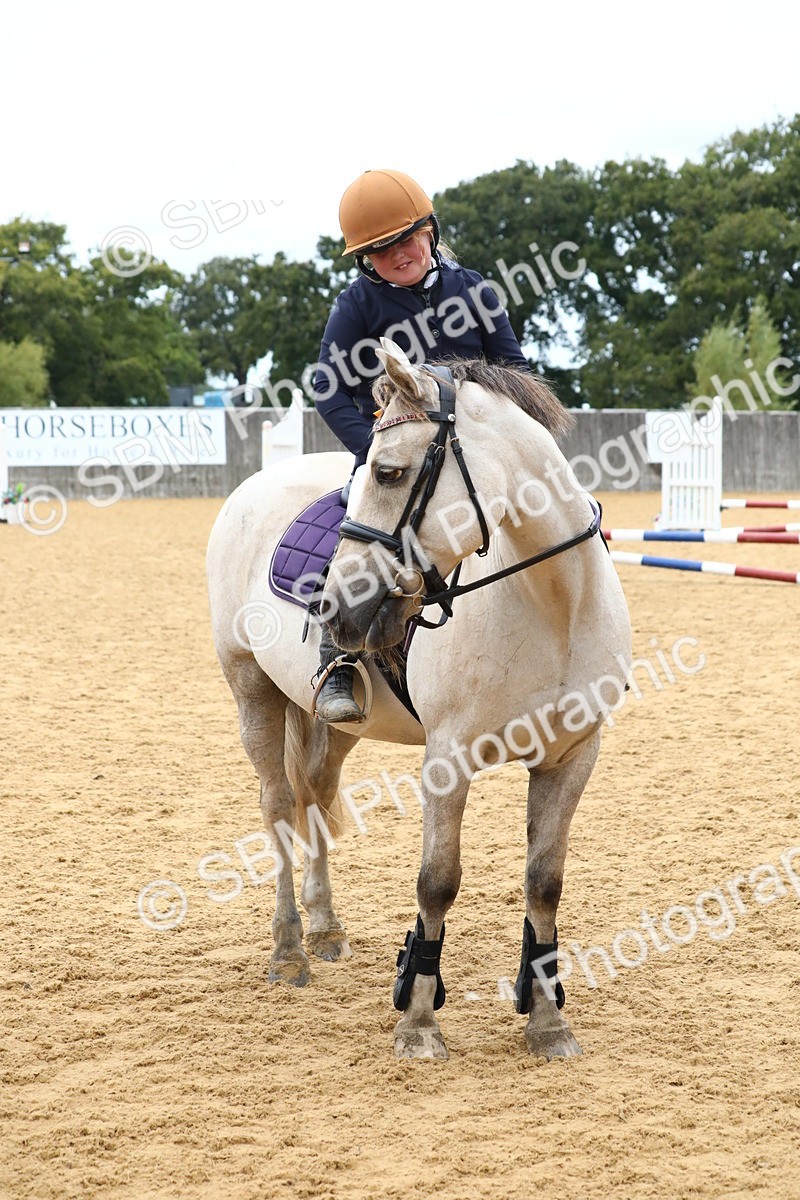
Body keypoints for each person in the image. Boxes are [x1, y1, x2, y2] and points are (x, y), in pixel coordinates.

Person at [312, 168, 533, 723]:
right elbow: (326, 385)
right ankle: (336, 659)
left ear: (429, 231)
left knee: (555, 505)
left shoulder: (474, 290)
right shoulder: (357, 304)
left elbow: (515, 372)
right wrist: (373, 450)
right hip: (398, 454)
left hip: (472, 452)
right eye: (383, 249)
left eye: (408, 238)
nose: (400, 253)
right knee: (353, 521)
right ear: (366, 259)